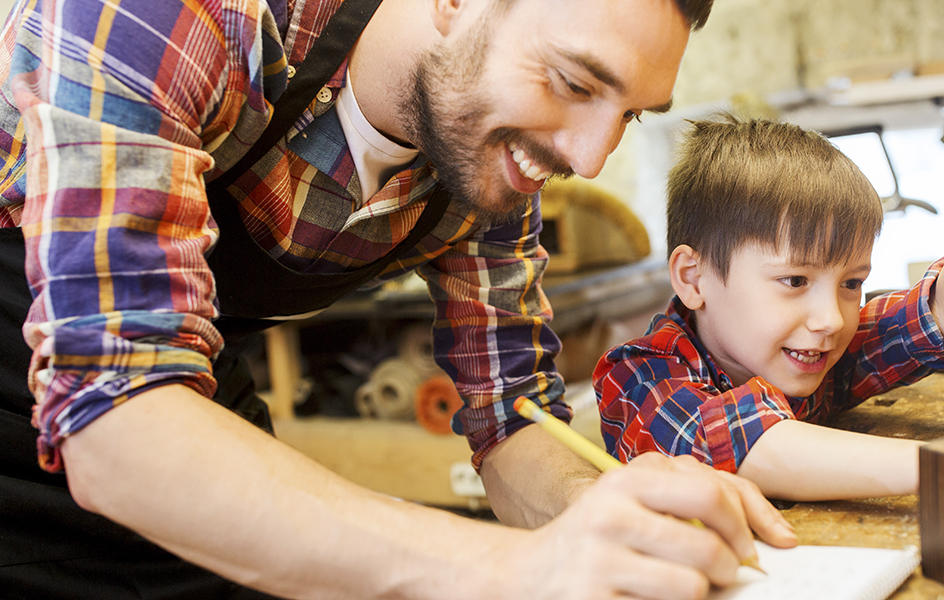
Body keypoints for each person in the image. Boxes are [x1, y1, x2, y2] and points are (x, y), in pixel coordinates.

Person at [0, 1, 799, 599]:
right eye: (572, 82)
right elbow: (115, 418)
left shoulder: (489, 166)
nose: (588, 157)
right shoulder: (181, 15)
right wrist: (512, 568)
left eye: (625, 114)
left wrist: (609, 517)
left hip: (193, 384)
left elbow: (516, 417)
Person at [595, 116, 944, 501]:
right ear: (694, 279)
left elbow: (943, 314)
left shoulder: (815, 347)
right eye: (793, 279)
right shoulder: (639, 374)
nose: (831, 318)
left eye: (852, 283)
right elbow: (744, 442)